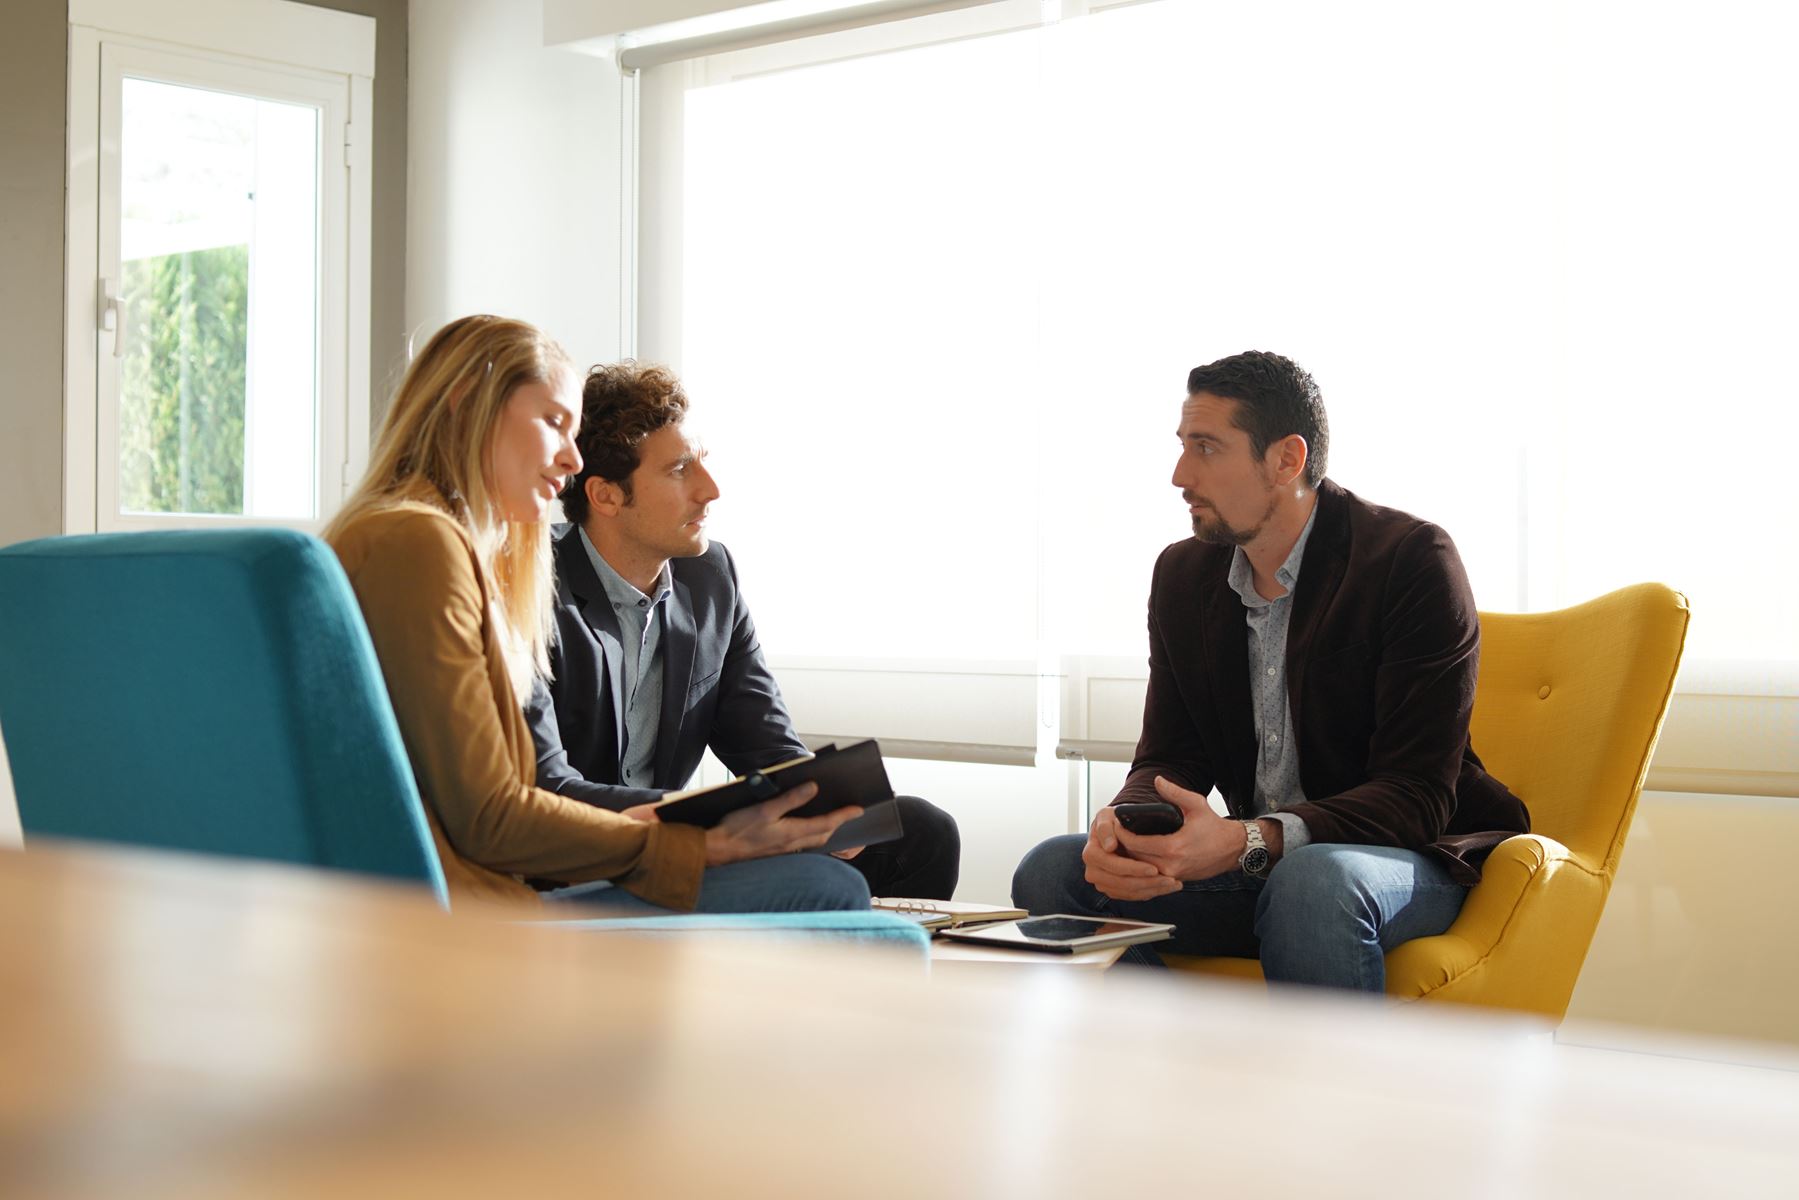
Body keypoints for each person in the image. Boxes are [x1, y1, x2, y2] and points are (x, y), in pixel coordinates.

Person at [1011, 350, 1529, 990]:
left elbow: (1416, 794)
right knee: (1054, 871)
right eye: (1182, 445)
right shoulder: (1183, 575)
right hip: (1261, 867)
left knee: (1312, 880)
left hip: (1403, 861)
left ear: (1286, 459)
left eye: (1206, 447)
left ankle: (1312, 1092)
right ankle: (1188, 1070)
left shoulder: (1410, 560)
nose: (1179, 474)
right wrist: (1126, 828)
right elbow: (1171, 756)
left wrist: (1248, 840)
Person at [324, 315, 871, 913]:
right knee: (826, 888)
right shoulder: (419, 544)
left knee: (877, 848)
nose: (570, 459)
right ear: (464, 403)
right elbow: (491, 818)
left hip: (490, 884)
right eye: (554, 423)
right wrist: (696, 844)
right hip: (476, 909)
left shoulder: (466, 555)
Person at [525, 361, 962, 902]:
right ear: (607, 496)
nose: (711, 490)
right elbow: (547, 791)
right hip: (589, 856)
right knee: (819, 883)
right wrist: (705, 827)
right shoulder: (533, 586)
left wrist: (824, 807)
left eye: (702, 461)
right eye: (680, 469)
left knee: (920, 832)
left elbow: (766, 743)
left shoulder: (709, 577)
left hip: (692, 845)